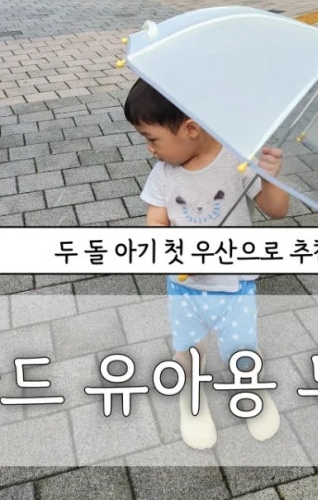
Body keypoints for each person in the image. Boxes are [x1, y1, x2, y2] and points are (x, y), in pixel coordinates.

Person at [123, 77, 289, 449]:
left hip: (236, 283)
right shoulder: (164, 173)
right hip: (186, 284)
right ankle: (191, 398)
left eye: (153, 139)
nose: (150, 149)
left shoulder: (238, 161)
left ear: (190, 129)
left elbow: (276, 210)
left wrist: (270, 178)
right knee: (189, 347)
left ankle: (250, 390)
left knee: (242, 346)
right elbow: (156, 222)